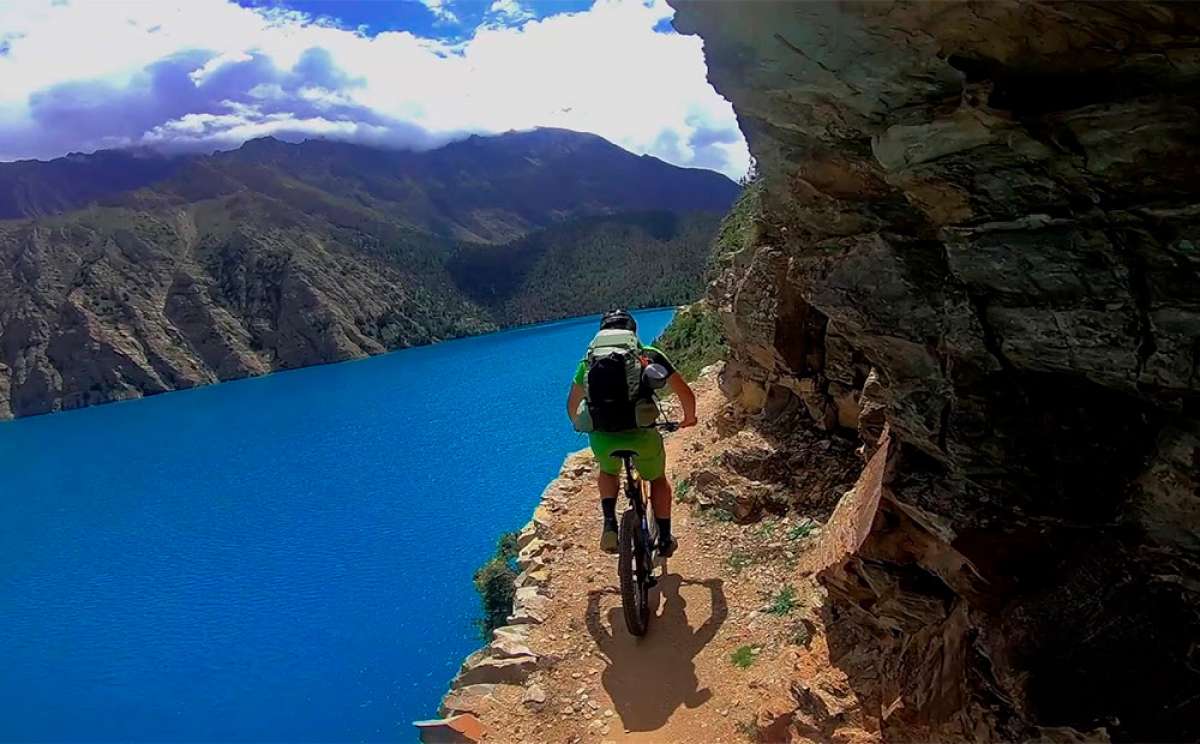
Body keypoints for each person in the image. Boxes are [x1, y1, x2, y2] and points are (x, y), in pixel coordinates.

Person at [566, 309, 698, 557]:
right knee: (657, 479)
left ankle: (609, 523)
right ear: (632, 333)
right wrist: (688, 419)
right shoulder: (648, 354)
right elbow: (684, 393)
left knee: (607, 471)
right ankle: (666, 539)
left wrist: (581, 425)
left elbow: (572, 405)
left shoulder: (588, 361)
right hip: (642, 435)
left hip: (603, 438)